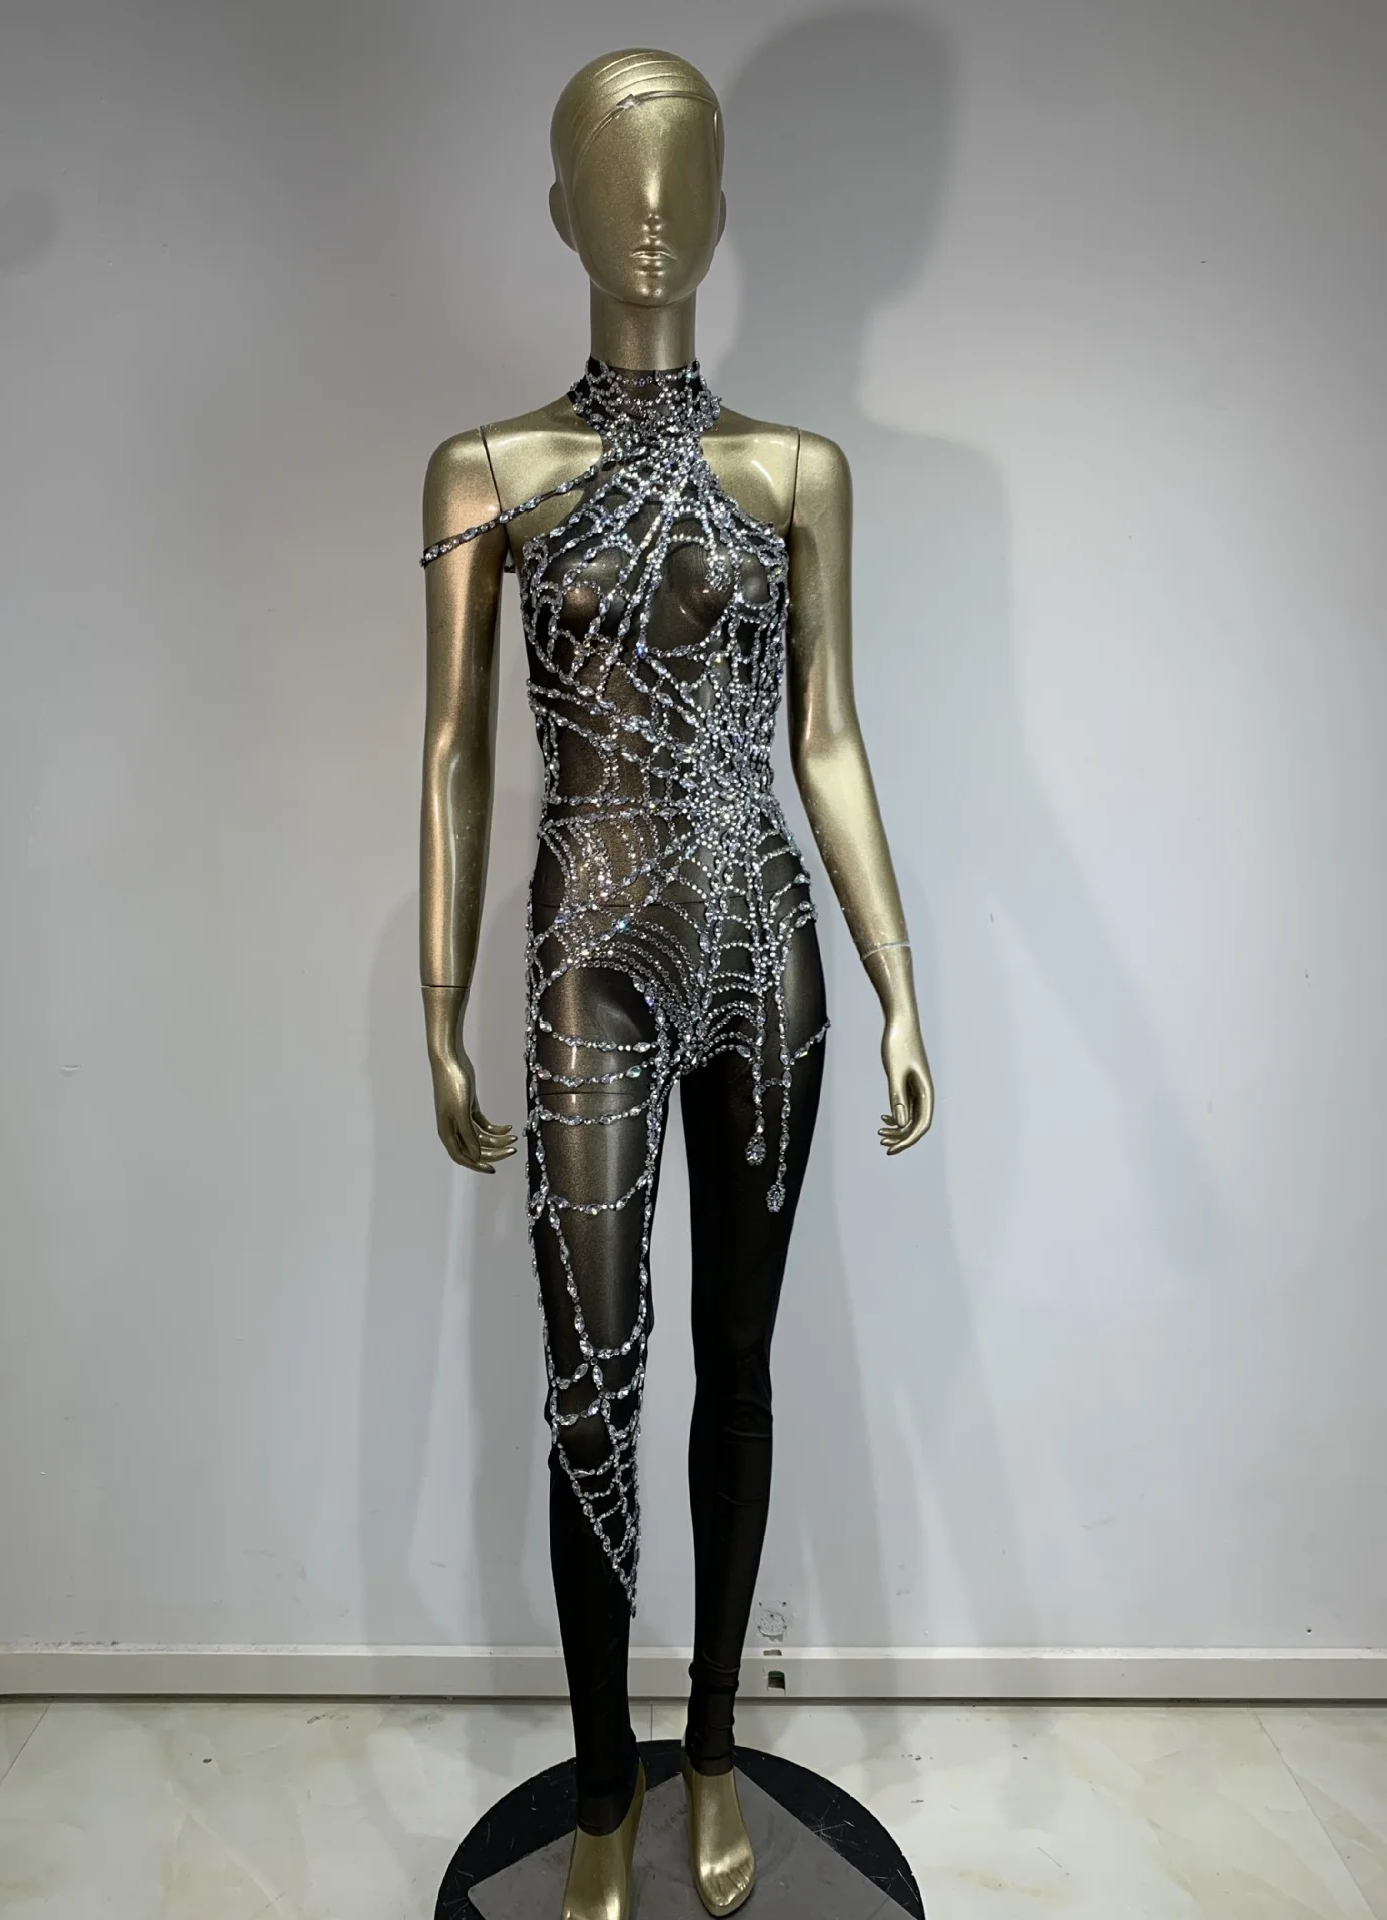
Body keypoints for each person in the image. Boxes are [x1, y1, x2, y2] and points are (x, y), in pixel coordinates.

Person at [418, 48, 933, 1920]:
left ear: (724, 204)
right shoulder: (490, 475)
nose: (653, 209)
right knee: (590, 1387)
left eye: (686, 171)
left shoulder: (796, 474)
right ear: (561, 205)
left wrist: (895, 978)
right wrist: (439, 1006)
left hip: (763, 953)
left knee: (737, 1369)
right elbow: (458, 757)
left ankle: (712, 1747)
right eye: (617, 173)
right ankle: (601, 1788)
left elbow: (829, 742)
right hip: (589, 955)